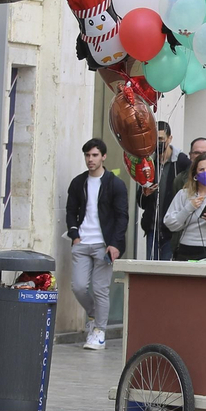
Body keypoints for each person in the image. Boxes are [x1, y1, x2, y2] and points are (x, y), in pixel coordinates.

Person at [66, 139, 127, 351]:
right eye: (87, 155)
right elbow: (70, 210)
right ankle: (93, 314)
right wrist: (74, 235)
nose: (90, 160)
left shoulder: (115, 184)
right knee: (79, 286)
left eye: (94, 155)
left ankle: (100, 331)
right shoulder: (78, 182)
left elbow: (122, 217)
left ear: (103, 157)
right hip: (82, 242)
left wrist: (115, 244)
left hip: (104, 245)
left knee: (101, 289)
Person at [138, 121, 187, 260]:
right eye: (154, 139)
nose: (157, 143)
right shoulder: (148, 163)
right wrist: (144, 194)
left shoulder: (182, 163)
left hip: (173, 230)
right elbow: (141, 202)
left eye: (160, 139)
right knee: (151, 271)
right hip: (152, 228)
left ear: (169, 139)